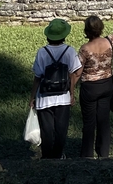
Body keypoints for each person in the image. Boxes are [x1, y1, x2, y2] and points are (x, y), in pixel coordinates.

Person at [78, 14, 113, 158]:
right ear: (101, 28)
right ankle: (103, 153)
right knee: (103, 120)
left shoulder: (84, 49)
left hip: (89, 88)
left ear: (86, 30)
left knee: (89, 123)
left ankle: (87, 155)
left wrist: (71, 88)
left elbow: (78, 72)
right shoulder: (109, 41)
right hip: (107, 85)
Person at [30, 19, 82, 159]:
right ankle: (58, 155)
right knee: (61, 130)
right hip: (63, 97)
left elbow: (37, 77)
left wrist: (32, 97)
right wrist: (72, 93)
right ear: (64, 35)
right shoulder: (69, 51)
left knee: (46, 130)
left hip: (44, 97)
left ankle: (47, 156)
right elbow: (73, 74)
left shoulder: (42, 52)